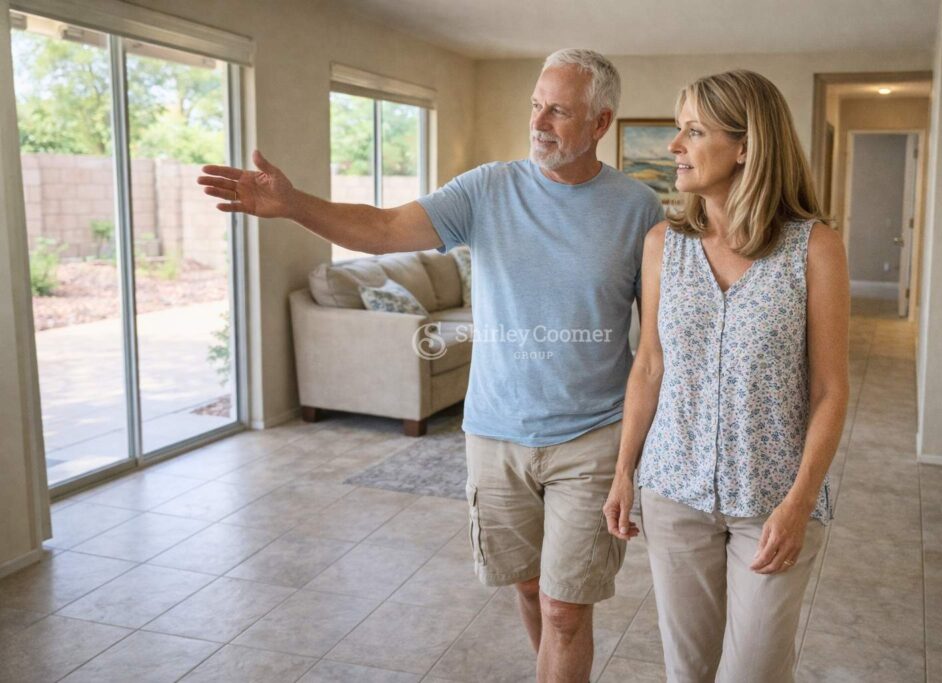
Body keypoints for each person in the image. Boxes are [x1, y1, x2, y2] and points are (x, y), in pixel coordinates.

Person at [198, 49, 662, 682]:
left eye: (559, 110)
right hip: (495, 435)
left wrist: (632, 461)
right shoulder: (486, 189)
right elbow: (385, 228)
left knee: (564, 611)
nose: (540, 121)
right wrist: (294, 203)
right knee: (528, 591)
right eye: (535, 104)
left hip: (592, 438)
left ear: (601, 122)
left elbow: (656, 348)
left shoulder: (639, 210)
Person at [602, 69, 849, 683]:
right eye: (678, 130)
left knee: (755, 673)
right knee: (687, 673)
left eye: (693, 131)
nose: (673, 147)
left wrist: (798, 505)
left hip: (771, 501)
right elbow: (649, 365)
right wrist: (624, 472)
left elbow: (830, 390)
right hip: (672, 492)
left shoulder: (814, 248)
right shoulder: (664, 244)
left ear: (746, 146)